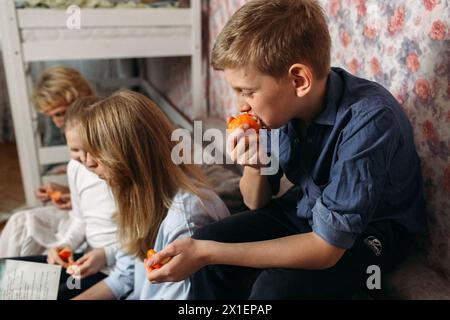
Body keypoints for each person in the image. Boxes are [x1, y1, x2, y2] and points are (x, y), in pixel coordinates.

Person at [146, 0, 428, 299]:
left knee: (274, 287)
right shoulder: (280, 111)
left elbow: (327, 248)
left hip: (371, 232)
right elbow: (256, 201)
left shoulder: (369, 119)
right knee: (205, 240)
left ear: (298, 80)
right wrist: (254, 166)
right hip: (307, 207)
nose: (240, 105)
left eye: (248, 92)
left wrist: (209, 253)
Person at [73, 90, 230, 300]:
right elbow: (123, 277)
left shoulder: (186, 222)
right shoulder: (135, 197)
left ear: (131, 155)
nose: (89, 163)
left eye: (99, 152)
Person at [1, 97, 119, 299]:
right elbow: (79, 219)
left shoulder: (114, 174)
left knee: (42, 294)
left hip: (111, 267)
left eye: (89, 149)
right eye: (74, 150)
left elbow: (139, 240)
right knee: (8, 277)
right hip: (87, 256)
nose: (84, 160)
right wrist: (65, 244)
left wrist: (106, 254)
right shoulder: (75, 168)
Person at [33, 65, 94, 177]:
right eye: (51, 117)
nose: (56, 123)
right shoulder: (57, 122)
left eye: (60, 114)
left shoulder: (108, 123)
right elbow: (53, 153)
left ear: (84, 98)